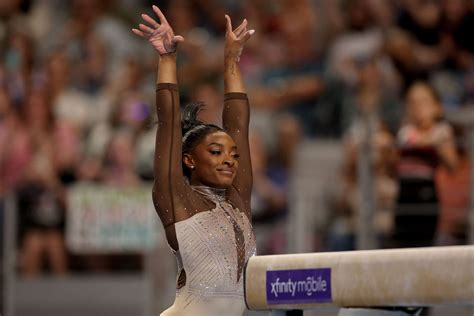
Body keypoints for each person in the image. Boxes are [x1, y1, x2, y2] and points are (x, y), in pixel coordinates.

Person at [132, 6, 256, 316]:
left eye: (231, 154)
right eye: (215, 152)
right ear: (188, 160)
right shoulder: (178, 201)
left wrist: (231, 61)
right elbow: (169, 122)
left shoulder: (237, 201)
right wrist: (167, 59)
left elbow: (239, 123)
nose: (228, 160)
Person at [392, 81, 458, 248]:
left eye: (423, 102)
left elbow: (452, 164)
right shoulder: (406, 130)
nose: (417, 107)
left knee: (424, 244)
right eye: (412, 102)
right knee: (402, 243)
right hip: (404, 194)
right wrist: (430, 140)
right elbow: (405, 145)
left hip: (425, 193)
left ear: (436, 106)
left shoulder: (442, 130)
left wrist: (433, 138)